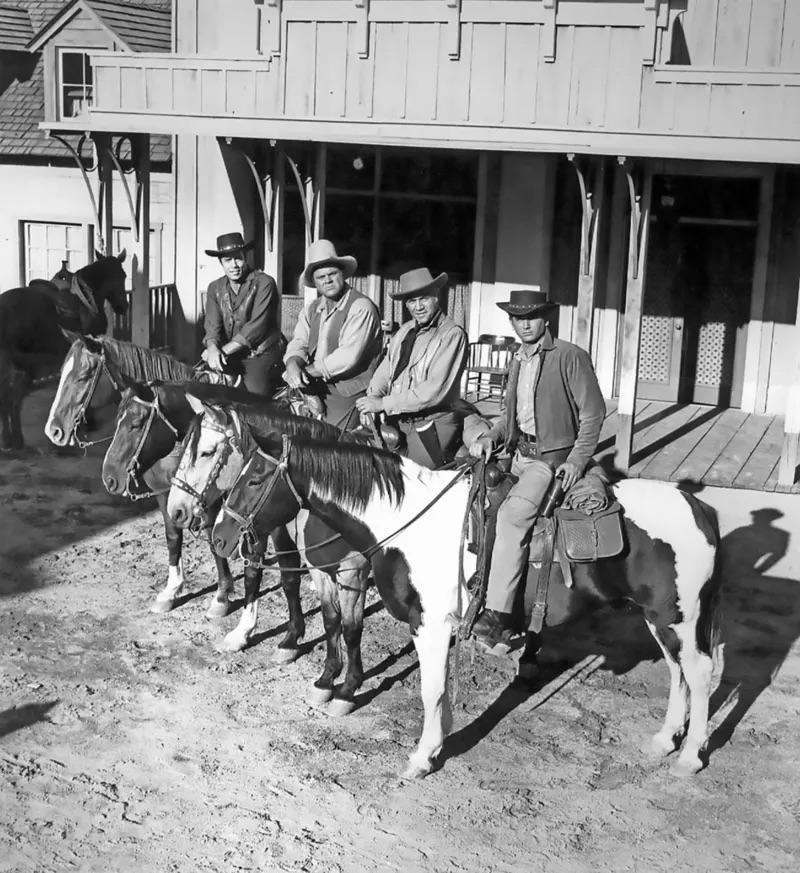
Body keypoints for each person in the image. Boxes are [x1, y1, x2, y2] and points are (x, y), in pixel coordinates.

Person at [468, 288, 606, 648]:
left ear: (546, 319)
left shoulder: (569, 357)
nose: (524, 324)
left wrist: (576, 460)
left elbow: (593, 414)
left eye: (531, 317)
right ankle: (480, 583)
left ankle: (498, 616)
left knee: (514, 514)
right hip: (516, 450)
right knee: (474, 498)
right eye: (517, 318)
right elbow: (508, 416)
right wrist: (489, 438)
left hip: (550, 458)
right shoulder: (517, 359)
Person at [356, 267, 468, 468]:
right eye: (411, 301)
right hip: (399, 417)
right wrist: (372, 397)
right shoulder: (404, 332)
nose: (418, 307)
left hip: (433, 421)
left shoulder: (452, 335)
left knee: (414, 478)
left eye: (423, 298)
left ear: (436, 296)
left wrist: (383, 404)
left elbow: (432, 391)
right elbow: (385, 370)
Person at [283, 239, 382, 425]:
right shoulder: (312, 309)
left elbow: (348, 357)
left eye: (332, 274)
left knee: (329, 441)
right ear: (314, 282)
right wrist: (292, 363)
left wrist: (305, 372)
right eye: (321, 277)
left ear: (342, 274)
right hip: (316, 383)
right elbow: (299, 341)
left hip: (349, 390)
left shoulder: (361, 306)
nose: (327, 280)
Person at [201, 232, 282, 395]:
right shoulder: (214, 288)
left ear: (245, 257)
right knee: (202, 388)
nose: (234, 265)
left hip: (260, 353)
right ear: (221, 263)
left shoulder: (264, 283)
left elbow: (257, 327)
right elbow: (212, 326)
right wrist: (211, 347)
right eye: (227, 260)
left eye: (238, 258)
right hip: (230, 354)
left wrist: (221, 351)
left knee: (252, 397)